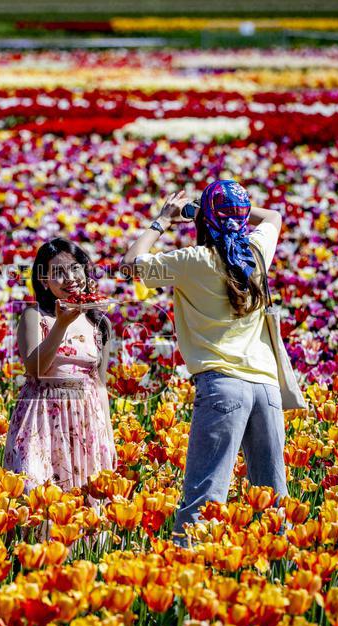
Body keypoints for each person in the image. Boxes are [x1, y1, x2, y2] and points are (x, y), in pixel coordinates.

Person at [122, 181, 287, 546]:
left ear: (204, 222)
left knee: (205, 497)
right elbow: (273, 216)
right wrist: (220, 214)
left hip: (222, 386)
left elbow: (130, 266)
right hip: (266, 386)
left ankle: (190, 576)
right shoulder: (256, 253)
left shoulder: (193, 262)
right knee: (272, 501)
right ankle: (281, 579)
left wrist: (163, 220)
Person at [3, 238, 116, 501]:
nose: (70, 278)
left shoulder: (99, 322)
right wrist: (61, 325)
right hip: (41, 417)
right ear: (44, 281)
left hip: (86, 420)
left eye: (75, 268)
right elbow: (35, 369)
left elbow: (100, 384)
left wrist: (107, 437)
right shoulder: (35, 316)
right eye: (58, 273)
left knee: (83, 500)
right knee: (38, 496)